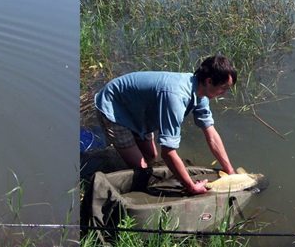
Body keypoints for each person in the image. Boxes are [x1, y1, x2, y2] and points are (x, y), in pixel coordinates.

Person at [93, 55, 238, 195]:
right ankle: (114, 168)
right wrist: (192, 187)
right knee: (142, 169)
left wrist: (230, 171)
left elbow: (211, 135)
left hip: (139, 110)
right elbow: (168, 152)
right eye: (223, 88)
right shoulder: (176, 97)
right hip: (115, 106)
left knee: (151, 155)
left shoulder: (201, 93)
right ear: (209, 81)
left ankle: (123, 156)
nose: (224, 93)